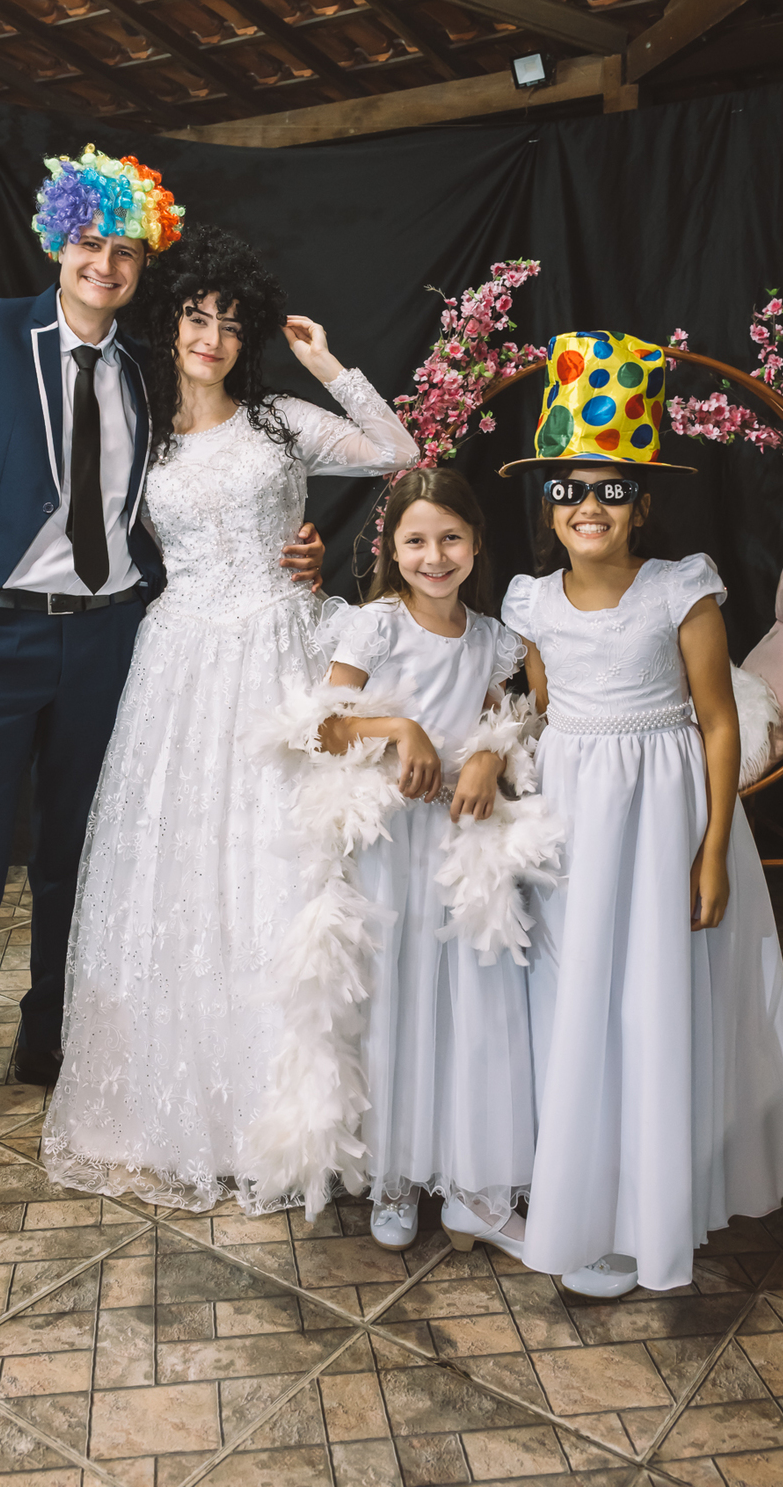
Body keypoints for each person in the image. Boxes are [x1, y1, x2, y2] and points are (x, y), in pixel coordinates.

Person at [0, 150, 324, 1191]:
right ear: (55, 242)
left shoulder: (154, 369)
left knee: (82, 857)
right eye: (87, 244)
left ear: (142, 264)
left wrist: (297, 543)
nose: (104, 265)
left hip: (115, 638)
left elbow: (225, 480)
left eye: (124, 252)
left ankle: (50, 1039)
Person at [40, 223, 419, 1210]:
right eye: (197, 316)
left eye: (230, 322)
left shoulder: (283, 422)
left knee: (280, 866)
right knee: (175, 872)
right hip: (180, 663)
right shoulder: (140, 431)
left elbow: (399, 451)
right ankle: (186, 1109)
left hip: (278, 651)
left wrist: (326, 362)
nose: (211, 337)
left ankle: (293, 1116)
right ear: (170, 323)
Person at [499, 330, 783, 1295]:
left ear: (641, 505)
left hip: (665, 820)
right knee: (577, 1003)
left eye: (611, 490)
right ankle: (587, 1199)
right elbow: (544, 712)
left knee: (655, 1000)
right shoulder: (532, 605)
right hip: (574, 825)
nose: (588, 506)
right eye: (570, 489)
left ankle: (657, 1210)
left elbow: (719, 724)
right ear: (549, 506)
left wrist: (712, 851)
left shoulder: (683, 591)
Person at [248, 468, 559, 1255]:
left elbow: (522, 717)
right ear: (392, 548)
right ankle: (395, 1177)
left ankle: (474, 1188)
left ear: (476, 543)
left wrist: (492, 750)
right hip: (390, 844)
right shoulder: (376, 626)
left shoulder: (492, 639)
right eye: (416, 541)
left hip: (460, 842)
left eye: (451, 538)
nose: (434, 556)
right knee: (397, 1004)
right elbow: (322, 728)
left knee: (472, 1007)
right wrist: (400, 728)